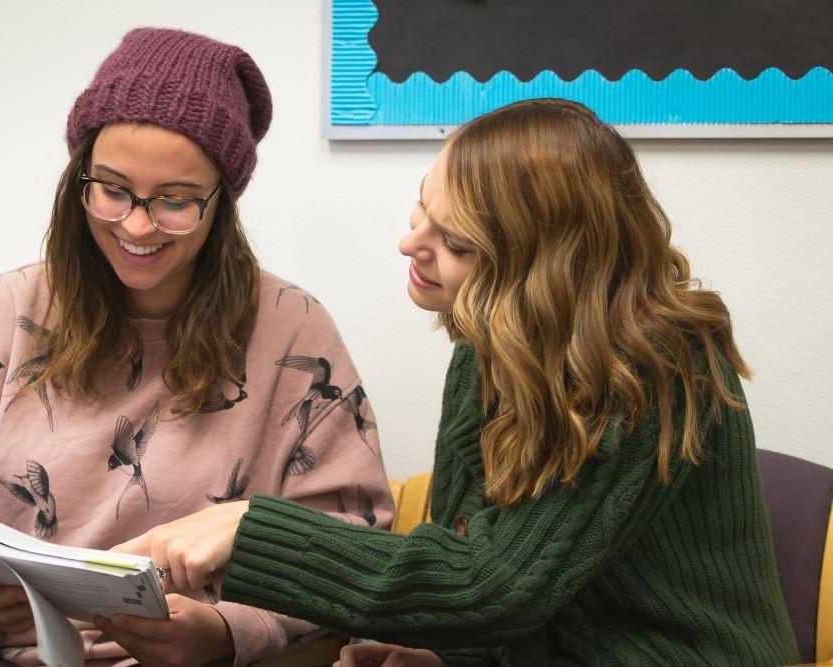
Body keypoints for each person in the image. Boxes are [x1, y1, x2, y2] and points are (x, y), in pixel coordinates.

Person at [108, 99, 801, 666]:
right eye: (422, 210)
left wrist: (249, 524)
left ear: (543, 265)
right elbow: (499, 569)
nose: (412, 244)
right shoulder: (487, 351)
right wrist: (444, 658)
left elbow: (493, 585)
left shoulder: (656, 363)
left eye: (458, 242)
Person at [0, 27, 393, 667]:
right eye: (113, 189)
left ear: (221, 205)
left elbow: (350, 547)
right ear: (79, 180)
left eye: (175, 201)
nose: (137, 224)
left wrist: (223, 632)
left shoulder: (294, 329)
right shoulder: (4, 314)